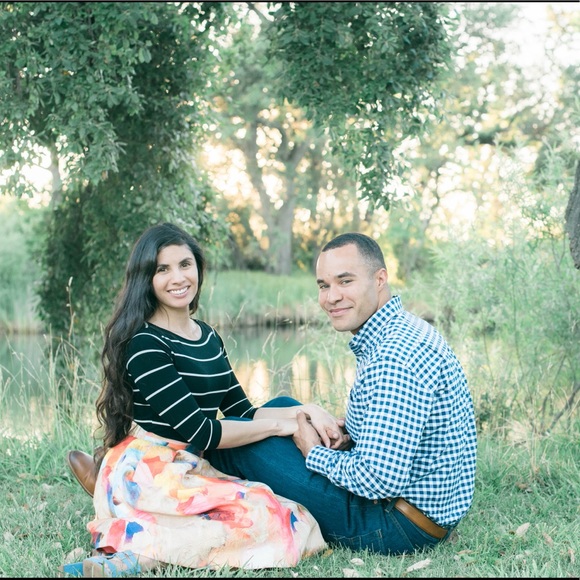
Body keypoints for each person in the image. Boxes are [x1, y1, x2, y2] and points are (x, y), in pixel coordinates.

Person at [61, 222, 347, 577]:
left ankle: (142, 550)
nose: (178, 277)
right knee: (274, 519)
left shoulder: (208, 337)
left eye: (185, 264)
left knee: (286, 512)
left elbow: (242, 411)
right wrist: (282, 425)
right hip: (151, 469)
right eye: (162, 269)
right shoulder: (145, 344)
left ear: (198, 268)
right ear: (146, 279)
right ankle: (135, 555)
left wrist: (307, 410)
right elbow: (203, 432)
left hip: (192, 464)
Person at [206, 232, 477, 556]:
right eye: (324, 285)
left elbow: (378, 479)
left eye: (345, 281)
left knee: (242, 444)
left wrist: (313, 452)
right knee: (284, 407)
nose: (331, 297)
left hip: (396, 524)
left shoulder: (394, 357)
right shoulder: (401, 330)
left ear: (379, 279)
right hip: (421, 506)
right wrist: (348, 434)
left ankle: (197, 507)